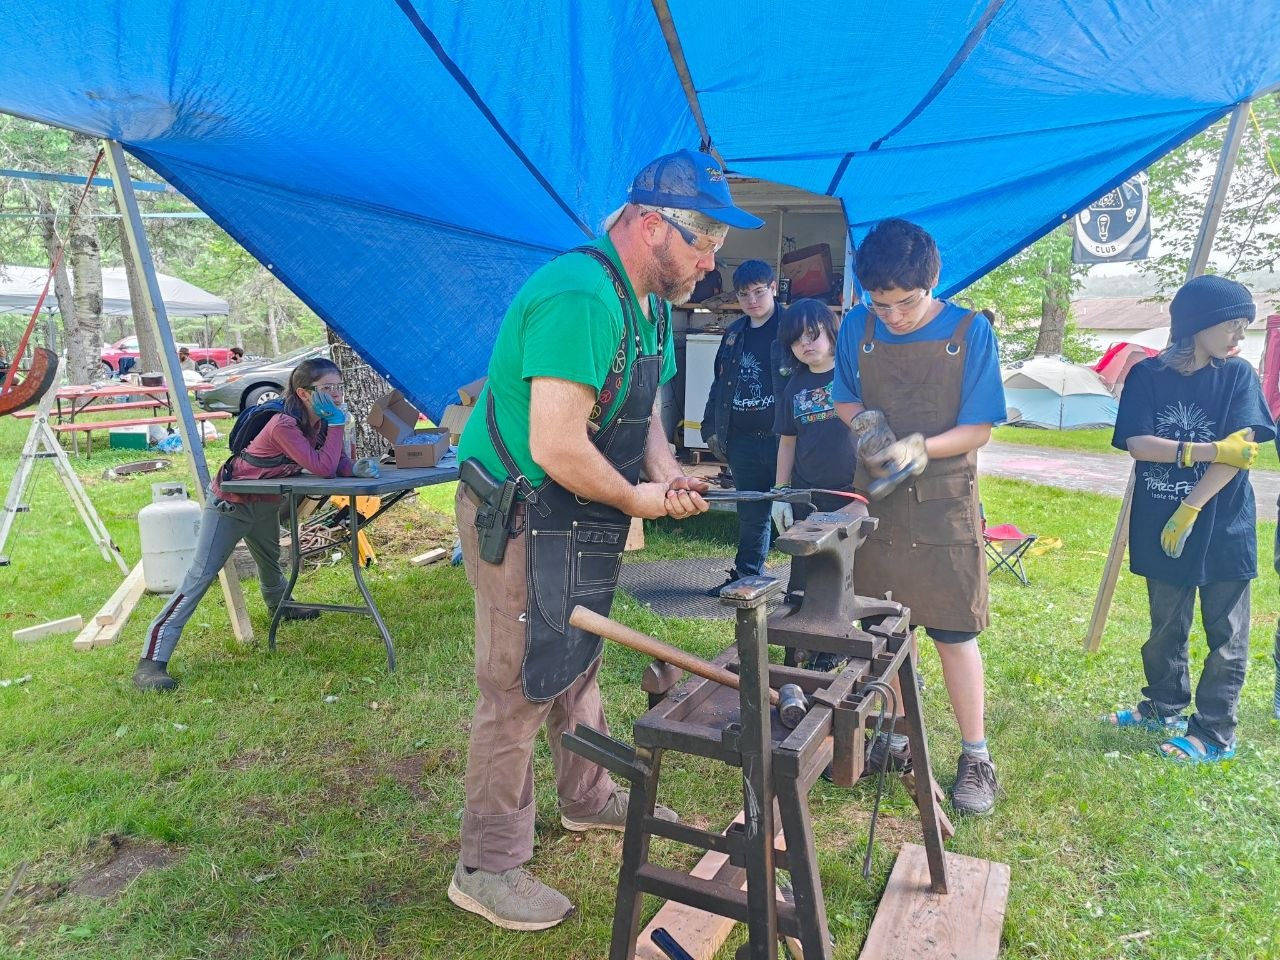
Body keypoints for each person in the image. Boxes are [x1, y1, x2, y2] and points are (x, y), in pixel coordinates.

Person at [449, 149, 761, 931]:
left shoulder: (649, 300)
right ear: (654, 225)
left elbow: (638, 406)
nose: (710, 263)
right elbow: (557, 444)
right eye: (704, 245)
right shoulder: (580, 294)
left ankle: (585, 797)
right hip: (521, 507)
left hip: (578, 507)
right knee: (520, 682)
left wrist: (666, 470)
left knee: (576, 657)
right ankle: (487, 865)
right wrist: (637, 500)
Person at [833, 218, 1006, 816]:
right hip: (877, 504)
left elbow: (978, 428)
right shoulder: (857, 326)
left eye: (907, 303)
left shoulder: (969, 330)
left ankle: (975, 755)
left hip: (944, 505)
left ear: (933, 283)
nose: (895, 316)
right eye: (883, 304)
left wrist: (921, 448)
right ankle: (899, 738)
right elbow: (842, 393)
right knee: (884, 631)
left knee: (954, 632)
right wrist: (866, 425)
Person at [133, 358, 378, 692]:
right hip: (231, 504)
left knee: (270, 559)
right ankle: (152, 660)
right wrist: (337, 426)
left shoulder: (318, 420)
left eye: (340, 387)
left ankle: (281, 606)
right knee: (200, 576)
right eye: (328, 389)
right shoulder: (283, 424)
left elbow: (336, 464)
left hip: (264, 500)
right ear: (304, 393)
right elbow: (322, 468)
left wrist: (354, 464)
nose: (337, 395)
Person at [1106, 274, 1274, 762]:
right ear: (1199, 324)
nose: (1240, 337)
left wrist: (1192, 505)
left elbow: (1238, 453)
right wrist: (1202, 448)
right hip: (1159, 519)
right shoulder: (1147, 376)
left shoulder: (1237, 376)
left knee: (1226, 633)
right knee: (1165, 625)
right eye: (1233, 325)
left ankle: (1215, 731)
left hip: (1223, 523)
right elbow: (1138, 443)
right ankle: (1163, 705)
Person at [770, 298, 858, 667]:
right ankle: (799, 645)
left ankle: (835, 648)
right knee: (803, 573)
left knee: (841, 573)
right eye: (796, 340)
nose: (806, 344)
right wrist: (779, 494)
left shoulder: (853, 376)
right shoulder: (794, 386)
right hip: (808, 494)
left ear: (830, 331)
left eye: (812, 334)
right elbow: (787, 441)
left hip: (850, 493)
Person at [701, 259, 787, 593]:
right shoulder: (734, 334)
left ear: (774, 289)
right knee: (752, 513)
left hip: (785, 440)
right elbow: (719, 384)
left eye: (759, 292)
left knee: (801, 512)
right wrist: (710, 428)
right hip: (743, 441)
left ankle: (807, 590)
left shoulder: (794, 328)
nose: (752, 300)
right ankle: (747, 577)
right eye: (744, 294)